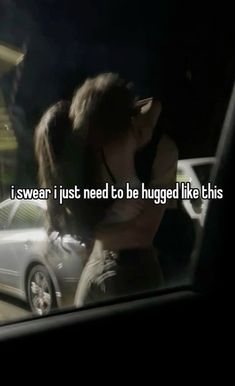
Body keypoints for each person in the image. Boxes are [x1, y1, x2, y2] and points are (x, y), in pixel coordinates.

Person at [35, 73, 178, 307]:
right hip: (107, 262)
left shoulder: (160, 152)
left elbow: (141, 234)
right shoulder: (90, 149)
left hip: (129, 264)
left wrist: (89, 232)